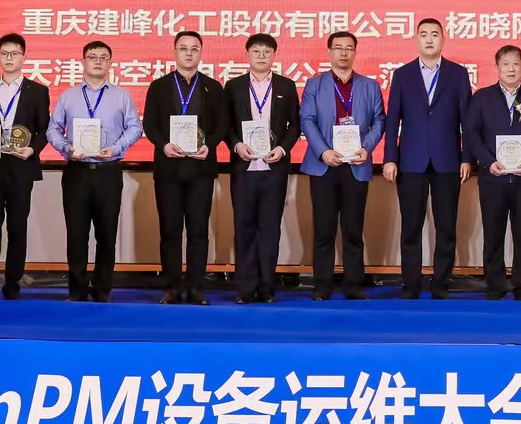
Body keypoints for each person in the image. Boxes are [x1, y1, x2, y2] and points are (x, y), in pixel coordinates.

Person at [383, 18, 473, 299]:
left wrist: (467, 157)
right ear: (416, 40)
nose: (429, 39)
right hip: (410, 161)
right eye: (424, 34)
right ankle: (411, 284)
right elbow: (392, 120)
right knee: (411, 226)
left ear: (443, 39)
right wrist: (390, 158)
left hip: (448, 160)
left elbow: (467, 121)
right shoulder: (402, 74)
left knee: (446, 226)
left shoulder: (458, 74)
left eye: (435, 34)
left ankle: (441, 283)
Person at [46, 40, 143, 302]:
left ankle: (102, 288)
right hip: (77, 172)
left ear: (110, 62)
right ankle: (77, 289)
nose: (98, 61)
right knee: (76, 234)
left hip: (108, 172)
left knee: (106, 234)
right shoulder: (69, 96)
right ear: (83, 62)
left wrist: (116, 148)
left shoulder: (121, 96)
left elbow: (135, 127)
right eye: (92, 56)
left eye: (103, 57)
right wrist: (67, 148)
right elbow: (53, 129)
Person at [465, 44, 521, 301]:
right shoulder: (482, 97)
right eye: (506, 64)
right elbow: (472, 133)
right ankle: (495, 284)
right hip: (493, 178)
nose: (511, 68)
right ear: (497, 67)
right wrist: (487, 161)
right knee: (493, 233)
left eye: (516, 63)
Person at [300, 31, 384, 300]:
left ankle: (353, 284)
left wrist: (366, 148)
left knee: (353, 230)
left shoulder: (370, 86)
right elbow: (307, 120)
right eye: (338, 48)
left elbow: (379, 120)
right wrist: (323, 151)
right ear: (329, 52)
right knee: (323, 229)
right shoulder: (315, 84)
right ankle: (322, 286)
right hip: (323, 166)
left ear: (355, 52)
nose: (344, 53)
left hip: (356, 165)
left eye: (349, 48)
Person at [144, 31, 226, 306]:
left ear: (201, 53)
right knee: (170, 231)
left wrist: (209, 145)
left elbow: (222, 124)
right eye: (183, 48)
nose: (189, 53)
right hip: (168, 168)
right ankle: (171, 287)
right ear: (175, 52)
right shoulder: (159, 86)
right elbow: (149, 124)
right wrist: (163, 145)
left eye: (194, 48)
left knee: (198, 231)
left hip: (201, 169)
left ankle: (196, 287)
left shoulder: (213, 87)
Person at [224, 33, 300, 304]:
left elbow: (295, 125)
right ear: (247, 55)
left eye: (267, 52)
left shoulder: (286, 86)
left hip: (274, 169)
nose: (261, 56)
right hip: (243, 168)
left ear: (274, 56)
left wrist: (283, 149)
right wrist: (236, 145)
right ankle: (245, 289)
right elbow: (225, 124)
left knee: (270, 230)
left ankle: (267, 288)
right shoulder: (233, 86)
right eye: (256, 51)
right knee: (243, 228)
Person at [0, 33, 50, 300]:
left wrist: (32, 149)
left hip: (21, 167)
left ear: (24, 57)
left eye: (14, 54)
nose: (9, 58)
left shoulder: (38, 91)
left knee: (17, 227)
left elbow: (45, 130)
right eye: (4, 54)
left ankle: (13, 285)